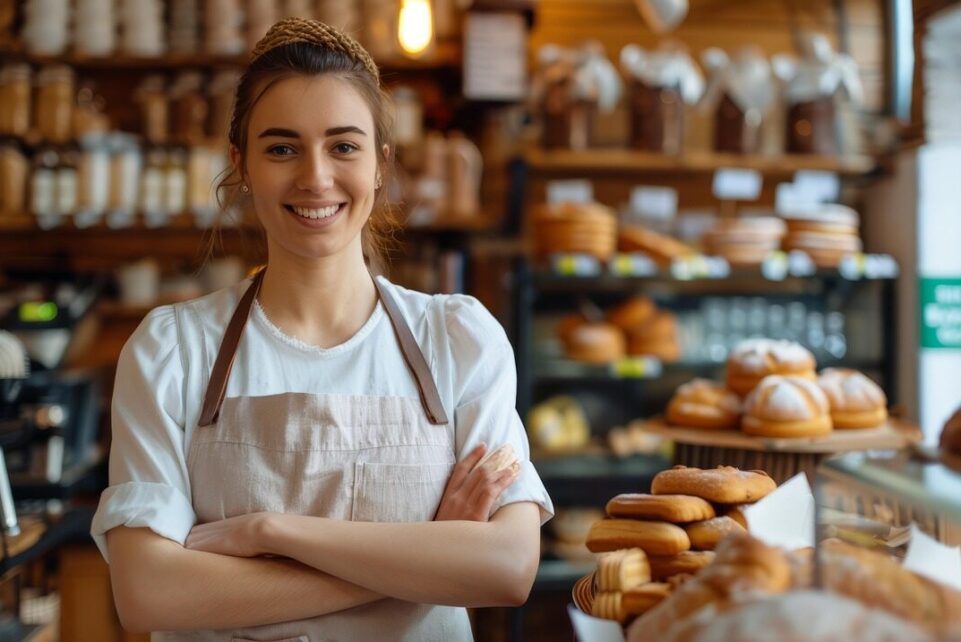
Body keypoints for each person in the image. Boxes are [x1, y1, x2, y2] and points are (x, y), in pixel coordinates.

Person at [91, 18, 553, 641]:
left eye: (344, 146)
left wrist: (269, 533)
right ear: (242, 164)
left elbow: (506, 568)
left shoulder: (458, 340)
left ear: (381, 164)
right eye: (282, 148)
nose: (315, 177)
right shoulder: (173, 350)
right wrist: (427, 557)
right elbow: (149, 594)